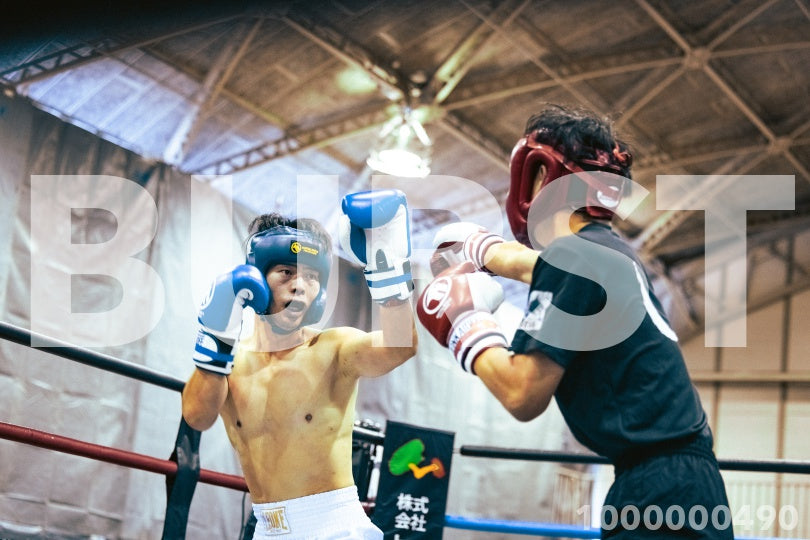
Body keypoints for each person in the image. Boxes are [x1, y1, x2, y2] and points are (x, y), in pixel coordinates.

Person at [417, 104, 733, 538]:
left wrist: (465, 325)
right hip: (688, 485)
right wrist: (481, 249)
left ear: (545, 177)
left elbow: (522, 393)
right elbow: (540, 267)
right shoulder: (610, 253)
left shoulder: (576, 257)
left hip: (656, 491)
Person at [182, 189, 417, 540]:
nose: (300, 287)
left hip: (335, 528)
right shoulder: (232, 364)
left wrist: (389, 267)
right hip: (267, 529)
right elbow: (197, 417)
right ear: (257, 277)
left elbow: (400, 347)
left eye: (311, 277)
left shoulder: (333, 349)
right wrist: (216, 339)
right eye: (286, 272)